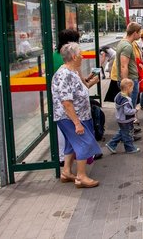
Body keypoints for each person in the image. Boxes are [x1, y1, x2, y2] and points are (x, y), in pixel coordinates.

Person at [51, 42, 101, 188]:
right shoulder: (64, 74)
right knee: (84, 143)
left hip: (77, 116)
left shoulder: (72, 71)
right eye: (80, 54)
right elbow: (66, 102)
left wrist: (90, 81)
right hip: (71, 118)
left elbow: (79, 92)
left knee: (71, 145)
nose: (82, 56)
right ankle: (81, 176)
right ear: (74, 57)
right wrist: (77, 123)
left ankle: (66, 172)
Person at [52, 28, 82, 166]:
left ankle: (62, 157)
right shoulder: (68, 59)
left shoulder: (54, 55)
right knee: (72, 128)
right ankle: (69, 157)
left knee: (62, 130)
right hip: (68, 100)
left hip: (59, 99)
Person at [104, 78, 140, 154]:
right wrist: (135, 110)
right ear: (128, 88)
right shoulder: (126, 100)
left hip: (120, 119)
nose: (132, 90)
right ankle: (129, 148)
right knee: (127, 135)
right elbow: (127, 111)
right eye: (132, 88)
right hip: (126, 120)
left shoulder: (119, 95)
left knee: (122, 132)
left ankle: (111, 144)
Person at [116, 22, 143, 109]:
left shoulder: (122, 43)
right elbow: (124, 66)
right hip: (130, 80)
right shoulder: (127, 46)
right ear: (135, 33)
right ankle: (130, 119)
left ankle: (129, 118)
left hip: (128, 79)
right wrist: (126, 82)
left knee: (127, 104)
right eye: (139, 32)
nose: (140, 34)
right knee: (130, 105)